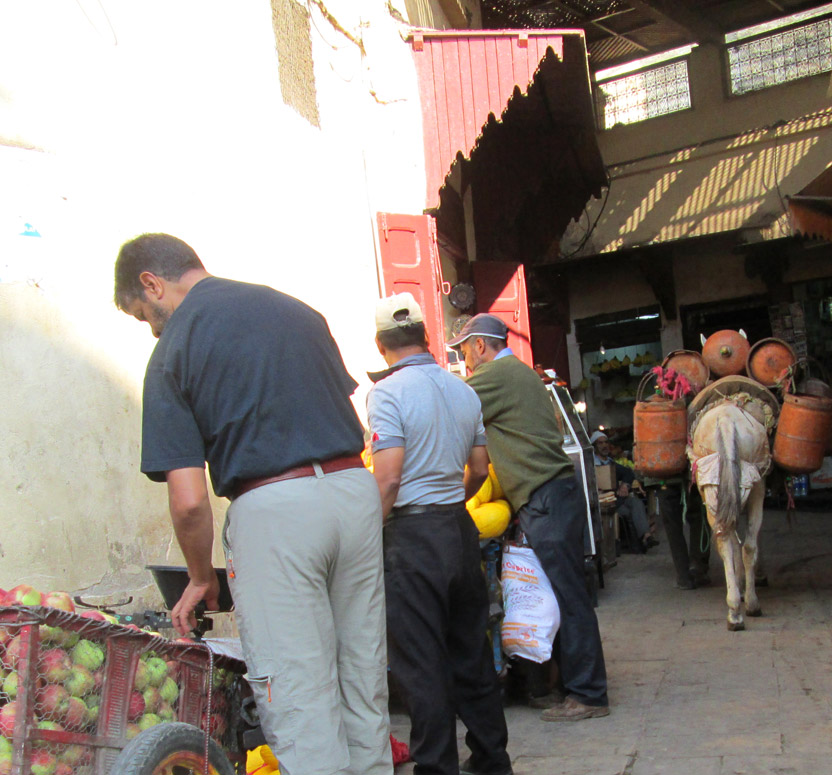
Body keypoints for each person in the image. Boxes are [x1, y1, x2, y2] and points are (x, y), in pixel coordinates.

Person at [114, 233, 391, 775]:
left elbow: (190, 501)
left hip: (275, 508)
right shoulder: (298, 312)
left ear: (153, 284)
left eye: (143, 314)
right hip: (354, 491)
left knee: (298, 694)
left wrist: (199, 576)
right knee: (362, 677)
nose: (151, 328)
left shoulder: (173, 348)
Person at [366, 294, 511, 775]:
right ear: (426, 336)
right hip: (457, 527)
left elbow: (387, 479)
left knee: (421, 664)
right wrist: (455, 499)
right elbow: (478, 469)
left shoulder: (387, 394)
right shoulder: (464, 391)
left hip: (411, 536)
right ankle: (492, 759)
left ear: (381, 344)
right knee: (470, 650)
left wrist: (368, 533)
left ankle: (437, 768)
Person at [449, 314, 610, 722]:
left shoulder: (497, 374)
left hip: (546, 497)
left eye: (464, 350)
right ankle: (565, 685)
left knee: (570, 597)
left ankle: (589, 695)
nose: (465, 360)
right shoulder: (519, 373)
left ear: (480, 346)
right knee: (562, 595)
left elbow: (448, 404)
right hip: (551, 494)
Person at [590, 431, 656, 552]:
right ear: (594, 446)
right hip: (605, 503)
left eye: (606, 442)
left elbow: (628, 473)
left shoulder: (610, 463)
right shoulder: (591, 465)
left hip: (618, 499)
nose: (604, 446)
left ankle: (646, 536)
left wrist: (625, 485)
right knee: (628, 513)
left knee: (636, 503)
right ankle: (638, 543)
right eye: (600, 443)